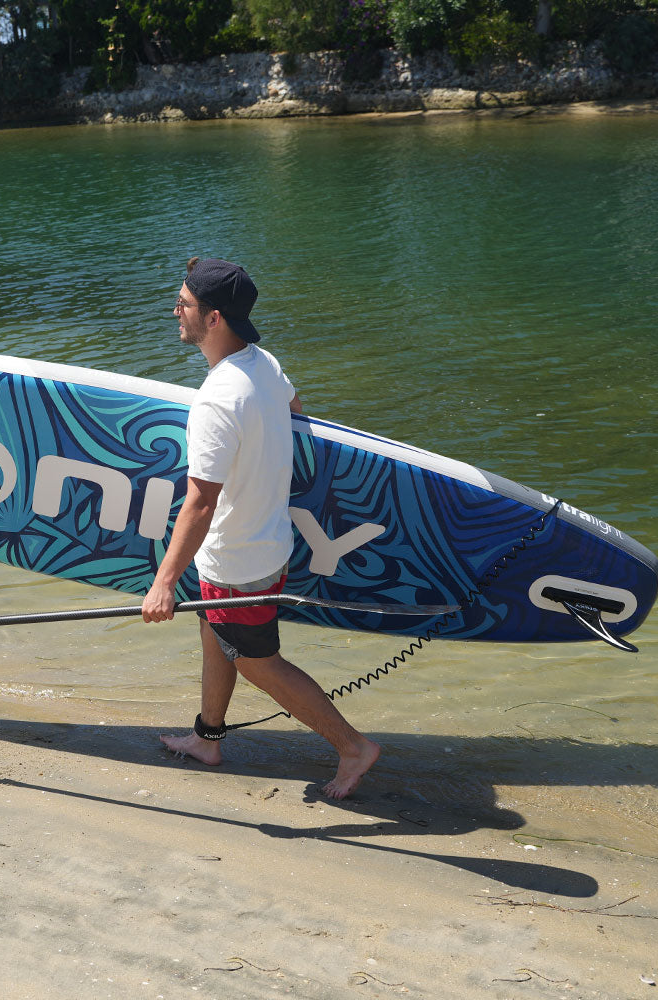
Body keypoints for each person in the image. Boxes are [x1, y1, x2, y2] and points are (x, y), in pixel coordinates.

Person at [141, 257, 380, 800]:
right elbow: (295, 410)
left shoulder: (216, 400)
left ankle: (352, 747)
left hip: (239, 559)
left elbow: (200, 503)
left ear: (214, 318)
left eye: (183, 303)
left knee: (257, 662)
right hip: (266, 541)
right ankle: (207, 739)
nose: (175, 311)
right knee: (215, 637)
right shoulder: (263, 364)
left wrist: (163, 583)